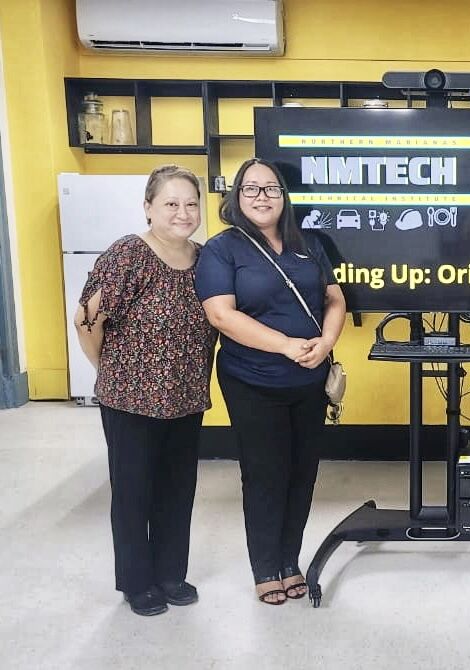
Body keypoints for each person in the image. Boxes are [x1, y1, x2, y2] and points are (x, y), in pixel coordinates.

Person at [195, 158, 346, 605]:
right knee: (265, 475)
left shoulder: (311, 244)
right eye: (251, 188)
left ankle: (289, 561)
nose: (262, 197)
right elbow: (221, 315)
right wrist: (284, 345)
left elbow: (335, 300)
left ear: (284, 195)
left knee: (302, 474)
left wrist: (325, 341)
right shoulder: (223, 249)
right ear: (237, 196)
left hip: (309, 381)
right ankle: (265, 567)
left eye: (271, 188)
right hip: (252, 381)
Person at [74, 164, 217, 616]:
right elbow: (86, 320)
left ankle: (171, 573)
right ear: (149, 207)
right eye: (171, 203)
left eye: (191, 203)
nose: (183, 212)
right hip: (129, 400)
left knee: (177, 489)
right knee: (134, 492)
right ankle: (137, 582)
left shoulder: (205, 259)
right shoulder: (129, 254)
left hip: (186, 398)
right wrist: (109, 371)